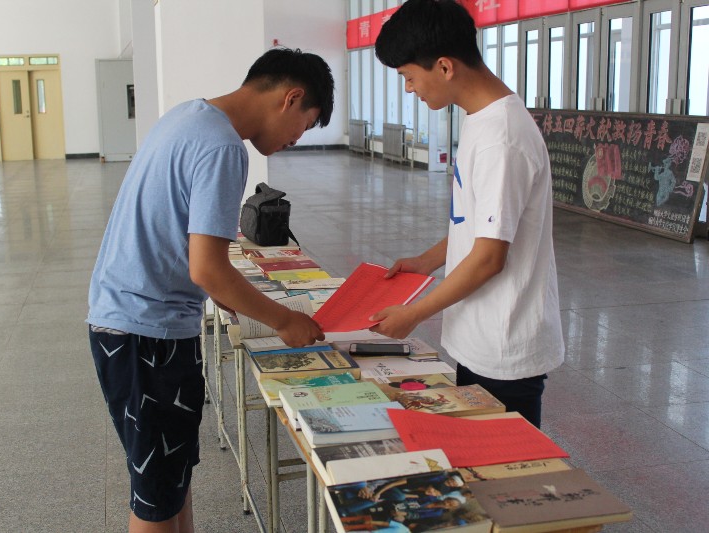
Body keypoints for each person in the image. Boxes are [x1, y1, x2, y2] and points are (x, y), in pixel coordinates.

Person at [86, 47, 334, 533]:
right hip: (145, 333)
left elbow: (194, 255)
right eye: (303, 127)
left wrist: (239, 302)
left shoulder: (189, 115)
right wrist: (285, 320)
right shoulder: (223, 147)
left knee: (169, 483)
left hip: (133, 322)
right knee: (155, 500)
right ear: (291, 98)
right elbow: (208, 270)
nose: (295, 140)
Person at [370, 0, 564, 429]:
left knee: (503, 464)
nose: (409, 89)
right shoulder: (480, 118)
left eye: (408, 77)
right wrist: (426, 261)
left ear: (444, 67)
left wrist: (414, 313)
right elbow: (478, 224)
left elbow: (490, 257)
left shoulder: (502, 138)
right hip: (480, 332)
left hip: (504, 344)